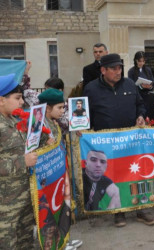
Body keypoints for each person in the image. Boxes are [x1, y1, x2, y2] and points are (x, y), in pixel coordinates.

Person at [83, 53, 154, 227]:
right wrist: (83, 130)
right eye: (114, 68)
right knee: (114, 175)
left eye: (120, 68)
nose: (118, 71)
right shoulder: (91, 88)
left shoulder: (130, 84)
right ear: (103, 70)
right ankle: (119, 212)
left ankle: (141, 209)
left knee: (137, 173)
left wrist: (140, 115)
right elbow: (84, 114)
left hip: (130, 141)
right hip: (106, 144)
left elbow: (140, 104)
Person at [37, 88, 83, 250]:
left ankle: (65, 238)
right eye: (59, 108)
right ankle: (57, 243)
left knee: (64, 208)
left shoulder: (53, 122)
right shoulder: (40, 126)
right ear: (47, 108)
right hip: (49, 179)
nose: (63, 111)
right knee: (53, 211)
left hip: (60, 173)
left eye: (64, 107)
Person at [0, 74, 38, 249]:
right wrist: (23, 162)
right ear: (2, 100)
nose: (22, 102)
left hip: (23, 197)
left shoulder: (15, 120)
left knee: (26, 242)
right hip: (5, 207)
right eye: (17, 98)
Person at [128, 51, 154, 120]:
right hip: (138, 98)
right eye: (140, 61)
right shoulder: (131, 71)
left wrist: (150, 86)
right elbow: (131, 86)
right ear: (136, 60)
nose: (142, 63)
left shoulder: (148, 70)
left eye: (143, 61)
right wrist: (141, 86)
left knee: (150, 117)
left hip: (148, 97)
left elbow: (152, 82)